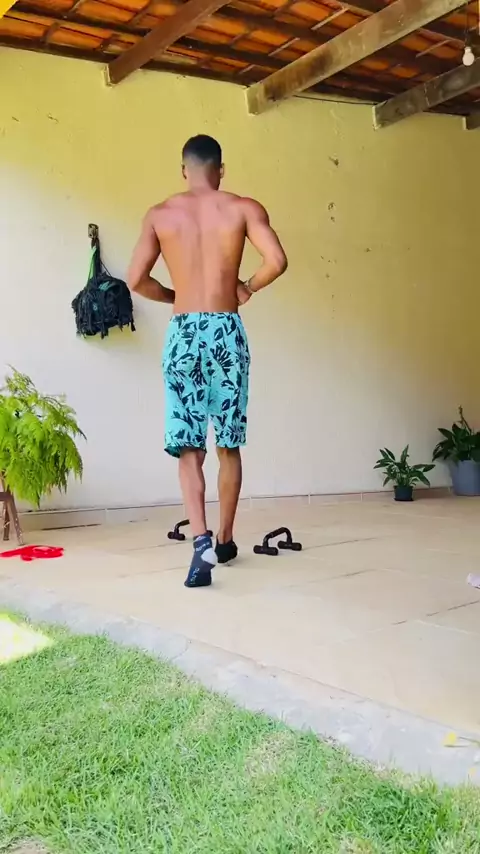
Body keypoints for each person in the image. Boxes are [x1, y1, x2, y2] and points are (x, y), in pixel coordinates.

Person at [127, 135, 288, 588]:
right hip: (225, 331)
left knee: (188, 446)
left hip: (183, 333)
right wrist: (246, 287)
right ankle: (225, 539)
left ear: (184, 170)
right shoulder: (243, 208)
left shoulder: (160, 214)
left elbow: (136, 279)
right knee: (228, 444)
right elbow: (276, 260)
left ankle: (200, 541)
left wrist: (176, 297)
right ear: (221, 169)